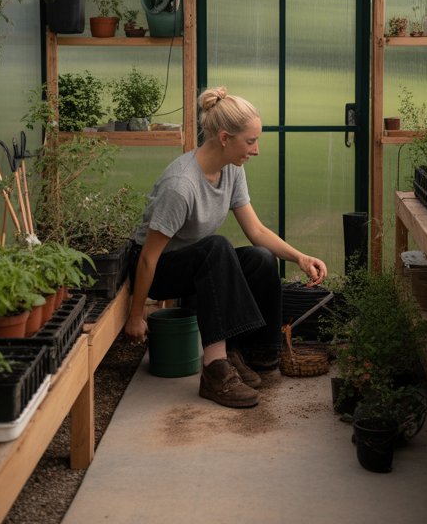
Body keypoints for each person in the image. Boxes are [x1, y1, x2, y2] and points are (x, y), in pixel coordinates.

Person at [123, 87, 327, 408]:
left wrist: (300, 257)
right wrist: (136, 316)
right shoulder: (181, 185)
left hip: (196, 262)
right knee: (217, 248)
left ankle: (255, 354)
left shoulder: (232, 169)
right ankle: (215, 370)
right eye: (250, 141)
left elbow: (256, 230)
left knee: (260, 258)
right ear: (224, 137)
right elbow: (148, 257)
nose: (256, 150)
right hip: (158, 267)